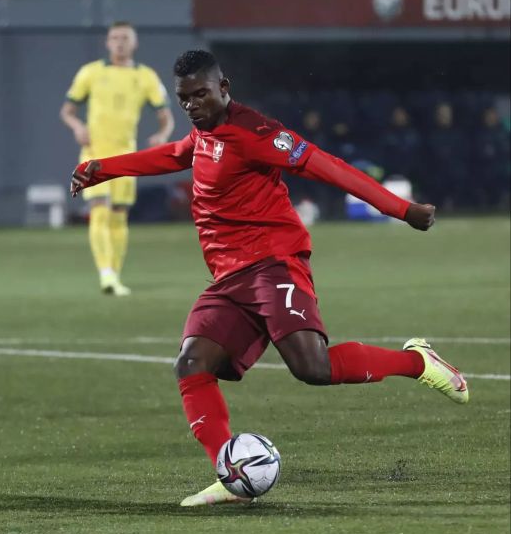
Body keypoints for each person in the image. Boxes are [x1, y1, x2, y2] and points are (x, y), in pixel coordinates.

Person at [71, 50, 468, 506]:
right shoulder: (204, 133)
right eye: (184, 99)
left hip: (272, 263)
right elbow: (176, 154)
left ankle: (418, 362)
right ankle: (233, 474)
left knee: (312, 368)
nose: (192, 105)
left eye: (201, 94)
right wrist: (104, 168)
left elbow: (326, 165)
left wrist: (401, 210)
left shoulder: (255, 132)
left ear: (224, 87)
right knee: (192, 363)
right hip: (229, 279)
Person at [60, 21, 174, 296]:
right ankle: (106, 275)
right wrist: (77, 127)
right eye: (114, 38)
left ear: (134, 43)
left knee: (119, 215)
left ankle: (115, 274)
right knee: (100, 208)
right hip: (94, 154)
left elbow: (166, 117)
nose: (119, 42)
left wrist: (161, 135)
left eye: (124, 38)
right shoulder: (91, 72)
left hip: (126, 156)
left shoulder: (146, 76)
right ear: (107, 43)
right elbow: (67, 110)